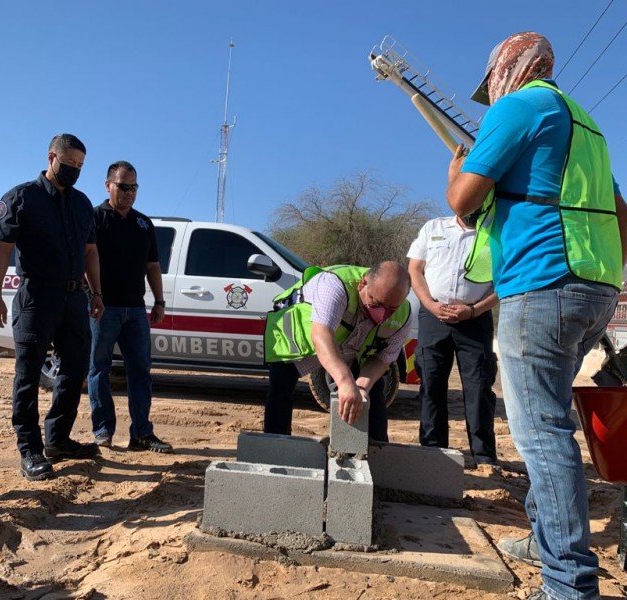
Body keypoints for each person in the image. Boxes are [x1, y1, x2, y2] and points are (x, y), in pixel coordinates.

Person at [447, 32, 627, 600]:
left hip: (541, 282)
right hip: (593, 285)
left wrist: (456, 168)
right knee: (548, 425)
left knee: (541, 434)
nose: (490, 93)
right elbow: (620, 209)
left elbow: (463, 201)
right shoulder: (586, 124)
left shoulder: (519, 106)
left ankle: (568, 584)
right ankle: (545, 539)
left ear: (510, 68)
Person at [0, 134, 105, 481]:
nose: (74, 171)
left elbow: (90, 252)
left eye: (80, 166)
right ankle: (30, 450)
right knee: (28, 374)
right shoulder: (21, 198)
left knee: (75, 368)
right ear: (52, 156)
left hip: (74, 298)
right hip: (36, 297)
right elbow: (1, 251)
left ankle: (58, 439)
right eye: (69, 164)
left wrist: (96, 293)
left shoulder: (83, 204)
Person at [263, 262, 412, 441]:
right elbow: (321, 336)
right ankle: (275, 445)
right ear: (363, 284)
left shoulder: (404, 314)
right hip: (299, 337)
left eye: (391, 309)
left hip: (350, 345)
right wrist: (344, 381)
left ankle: (375, 452)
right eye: (376, 303)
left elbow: (384, 358)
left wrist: (362, 386)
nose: (382, 314)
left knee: (371, 394)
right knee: (282, 386)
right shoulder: (334, 285)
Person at [87, 161, 171, 453]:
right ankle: (103, 431)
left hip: (135, 310)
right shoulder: (94, 218)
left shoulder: (143, 223)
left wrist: (159, 301)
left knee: (140, 371)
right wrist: (94, 294)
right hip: (104, 309)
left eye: (134, 187)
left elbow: (152, 266)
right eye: (123, 186)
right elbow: (87, 258)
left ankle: (142, 434)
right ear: (108, 185)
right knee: (99, 370)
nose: (129, 193)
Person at [407, 214, 499, 467]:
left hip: (475, 318)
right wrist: (429, 304)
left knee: (479, 388)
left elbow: (506, 280)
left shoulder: (497, 230)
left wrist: (475, 310)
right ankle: (433, 451)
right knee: (431, 385)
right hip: (433, 316)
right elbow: (415, 269)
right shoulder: (433, 227)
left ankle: (483, 456)